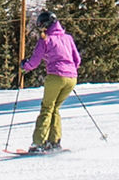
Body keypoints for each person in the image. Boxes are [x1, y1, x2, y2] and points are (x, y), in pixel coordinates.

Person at [21, 10, 82, 153]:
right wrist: (69, 70)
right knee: (55, 108)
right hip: (72, 78)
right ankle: (54, 142)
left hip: (55, 77)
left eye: (41, 26)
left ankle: (38, 143)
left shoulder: (46, 39)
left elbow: (34, 62)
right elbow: (77, 60)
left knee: (47, 108)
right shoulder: (68, 38)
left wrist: (25, 66)